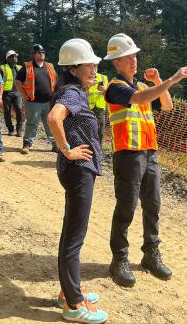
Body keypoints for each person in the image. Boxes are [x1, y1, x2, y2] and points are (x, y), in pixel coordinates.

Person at [104, 33, 187, 287]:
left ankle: (150, 255)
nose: (133, 60)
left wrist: (158, 80)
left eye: (134, 56)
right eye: (126, 57)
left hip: (149, 153)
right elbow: (140, 100)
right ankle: (119, 259)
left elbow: (166, 106)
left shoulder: (143, 86)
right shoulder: (115, 88)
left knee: (153, 205)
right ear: (116, 63)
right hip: (128, 155)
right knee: (127, 208)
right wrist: (175, 78)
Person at [47, 38, 108, 324]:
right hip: (78, 169)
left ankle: (67, 290)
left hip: (78, 169)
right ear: (73, 68)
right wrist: (67, 150)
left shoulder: (74, 89)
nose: (95, 65)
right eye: (89, 62)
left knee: (72, 233)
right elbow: (53, 119)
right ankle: (73, 305)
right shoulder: (71, 93)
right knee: (74, 238)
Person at [15, 44, 58, 154]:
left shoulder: (49, 66)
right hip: (33, 102)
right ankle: (27, 144)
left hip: (48, 102)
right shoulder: (27, 66)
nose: (42, 54)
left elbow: (55, 81)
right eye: (39, 52)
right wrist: (24, 95)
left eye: (43, 52)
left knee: (50, 124)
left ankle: (55, 145)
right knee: (32, 123)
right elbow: (17, 81)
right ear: (34, 54)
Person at [0, 49, 23, 136]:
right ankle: (10, 129)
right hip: (6, 93)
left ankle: (19, 129)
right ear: (8, 58)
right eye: (13, 56)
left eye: (16, 56)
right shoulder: (2, 68)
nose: (15, 58)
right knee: (7, 111)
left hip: (18, 92)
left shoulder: (20, 68)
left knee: (19, 109)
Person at [86, 72, 108, 143]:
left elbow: (109, 93)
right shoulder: (84, 76)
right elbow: (80, 92)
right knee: (89, 131)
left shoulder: (103, 77)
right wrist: (88, 86)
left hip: (100, 108)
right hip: (88, 108)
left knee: (100, 132)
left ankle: (99, 151)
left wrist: (104, 90)